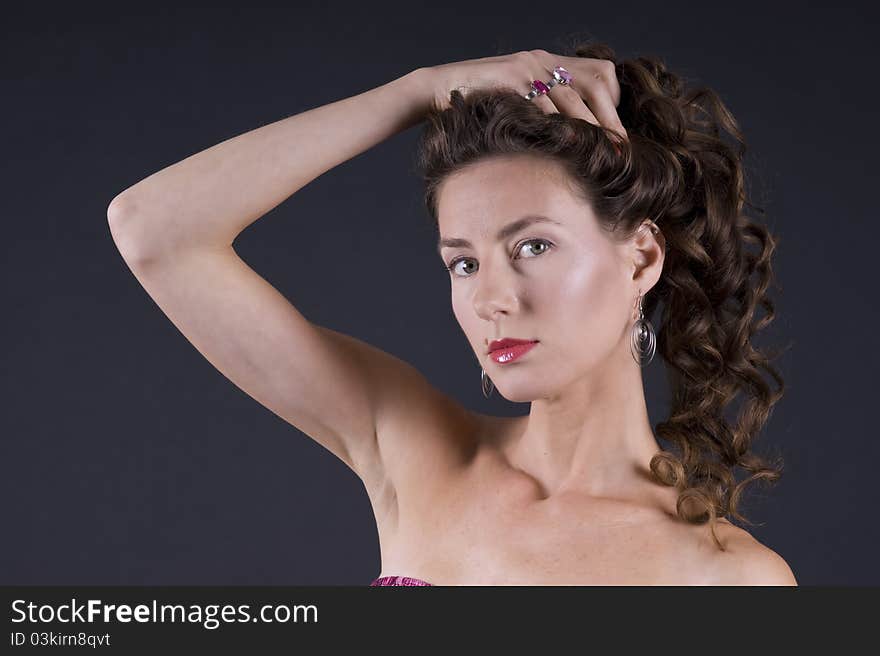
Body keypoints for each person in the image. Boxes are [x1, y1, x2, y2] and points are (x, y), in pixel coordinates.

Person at [107, 40, 797, 586]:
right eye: (463, 262)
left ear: (642, 259)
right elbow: (154, 230)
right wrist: (418, 90)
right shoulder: (414, 449)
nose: (489, 298)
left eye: (532, 245)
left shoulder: (727, 578)